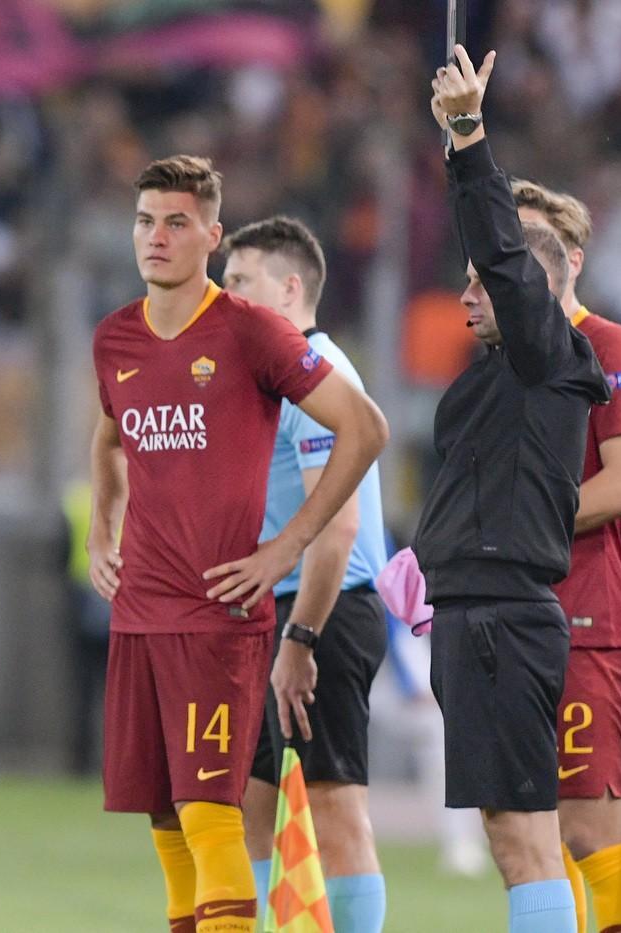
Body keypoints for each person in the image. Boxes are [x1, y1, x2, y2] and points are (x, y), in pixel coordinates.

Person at [88, 155, 388, 933]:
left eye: (177, 222)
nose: (157, 237)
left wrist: (286, 547)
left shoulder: (253, 333)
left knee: (216, 818)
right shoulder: (115, 337)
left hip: (221, 621)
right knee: (168, 825)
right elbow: (110, 437)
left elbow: (366, 429)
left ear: (211, 236)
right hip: (140, 616)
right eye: (146, 221)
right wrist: (101, 527)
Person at [421, 48, 611, 933]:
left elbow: (502, 250)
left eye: (481, 281)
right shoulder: (500, 371)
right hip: (476, 611)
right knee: (512, 832)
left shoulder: (545, 355)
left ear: (527, 287)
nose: (467, 293)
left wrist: (467, 135)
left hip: (501, 616)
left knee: (526, 837)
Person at [221, 216, 389, 932]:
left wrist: (302, 640)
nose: (223, 297)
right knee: (253, 805)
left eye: (239, 282)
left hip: (327, 611)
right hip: (278, 614)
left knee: (332, 804)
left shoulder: (321, 376)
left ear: (291, 289)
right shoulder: (276, 376)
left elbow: (339, 524)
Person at [512, 178, 621, 931]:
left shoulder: (607, 345)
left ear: (570, 258)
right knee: (530, 838)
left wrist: (518, 519)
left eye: (534, 245)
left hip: (587, 617)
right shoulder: (504, 353)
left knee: (588, 832)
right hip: (515, 619)